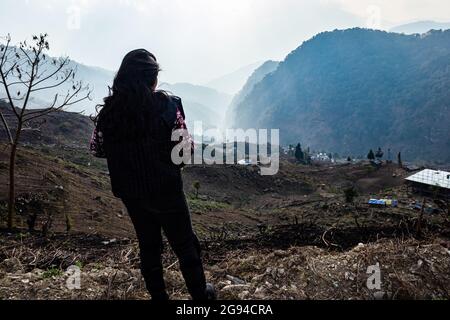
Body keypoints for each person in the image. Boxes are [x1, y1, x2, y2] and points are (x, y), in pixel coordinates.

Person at [90, 49, 216, 300]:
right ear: (152, 80)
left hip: (131, 192)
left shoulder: (108, 113)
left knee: (149, 245)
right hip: (166, 189)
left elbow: (97, 149)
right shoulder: (168, 106)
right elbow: (185, 151)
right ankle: (201, 298)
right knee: (184, 245)